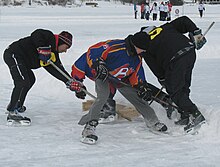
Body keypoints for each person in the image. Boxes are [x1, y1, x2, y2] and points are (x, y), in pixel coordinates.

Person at [68, 38, 168, 144]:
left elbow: (137, 73)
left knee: (136, 97)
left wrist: (142, 86)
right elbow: (93, 50)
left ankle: (153, 121)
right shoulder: (116, 47)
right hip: (103, 75)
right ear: (136, 46)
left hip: (119, 78)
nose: (144, 52)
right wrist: (98, 64)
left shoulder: (137, 58)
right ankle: (89, 127)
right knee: (103, 96)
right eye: (143, 50)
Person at [130, 16, 207, 133]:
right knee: (184, 87)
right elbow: (184, 20)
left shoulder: (146, 45)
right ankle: (185, 115)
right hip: (190, 52)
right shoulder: (166, 27)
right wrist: (196, 32)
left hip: (175, 59)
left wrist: (164, 80)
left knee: (175, 91)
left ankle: (197, 116)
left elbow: (157, 70)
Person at [3, 29, 73, 126]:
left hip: (23, 61)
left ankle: (17, 105)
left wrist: (70, 82)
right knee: (22, 81)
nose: (65, 51)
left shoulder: (52, 55)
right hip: (13, 54)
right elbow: (37, 33)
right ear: (62, 42)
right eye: (66, 47)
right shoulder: (48, 37)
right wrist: (43, 48)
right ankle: (12, 112)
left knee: (30, 80)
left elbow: (58, 70)